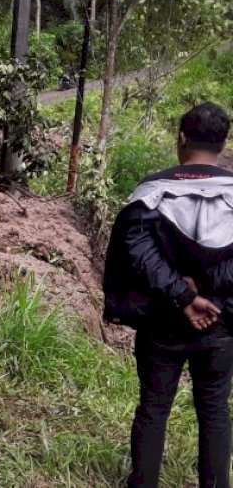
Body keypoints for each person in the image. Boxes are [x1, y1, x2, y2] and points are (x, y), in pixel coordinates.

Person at [104, 102, 233, 488]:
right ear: (224, 143)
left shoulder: (152, 193)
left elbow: (136, 250)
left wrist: (182, 295)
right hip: (222, 326)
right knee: (214, 411)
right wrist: (217, 303)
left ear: (181, 139)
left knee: (153, 408)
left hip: (163, 325)